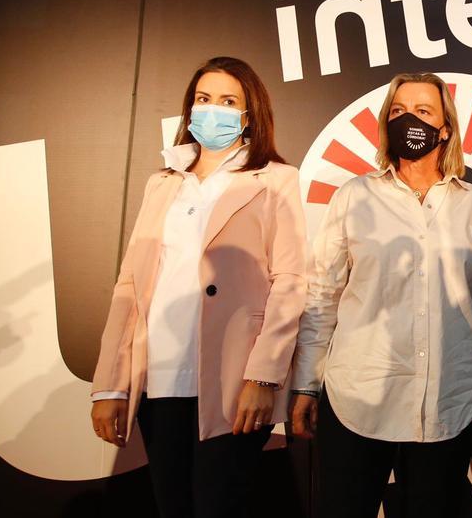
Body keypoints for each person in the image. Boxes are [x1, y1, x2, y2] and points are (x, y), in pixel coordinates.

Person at [89, 56, 308, 518]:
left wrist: (262, 376)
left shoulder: (274, 180)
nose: (213, 110)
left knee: (220, 505)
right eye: (204, 99)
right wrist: (110, 386)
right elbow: (130, 285)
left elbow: (289, 282)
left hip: (233, 383)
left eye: (229, 101)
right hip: (160, 380)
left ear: (250, 115)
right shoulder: (163, 183)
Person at [289, 73, 472, 518]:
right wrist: (308, 383)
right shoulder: (355, 197)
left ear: (445, 128)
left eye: (424, 112)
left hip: (451, 397)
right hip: (359, 397)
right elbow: (323, 295)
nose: (410, 120)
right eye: (399, 111)